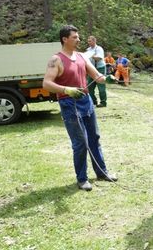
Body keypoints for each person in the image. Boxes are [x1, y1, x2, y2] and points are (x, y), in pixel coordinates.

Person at [43, 25, 118, 191]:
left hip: (86, 101)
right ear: (65, 39)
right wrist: (66, 90)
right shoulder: (56, 60)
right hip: (69, 104)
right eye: (75, 37)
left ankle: (102, 173)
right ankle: (82, 179)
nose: (79, 40)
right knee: (81, 143)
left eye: (78, 37)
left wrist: (107, 78)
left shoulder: (81, 56)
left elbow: (97, 77)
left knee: (94, 138)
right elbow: (46, 83)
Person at [85, 36, 107, 107]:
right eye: (88, 41)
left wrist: (92, 56)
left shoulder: (99, 48)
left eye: (90, 41)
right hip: (92, 69)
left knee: (101, 86)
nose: (89, 42)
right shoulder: (88, 49)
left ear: (94, 41)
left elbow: (99, 58)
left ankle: (103, 103)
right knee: (90, 87)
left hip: (100, 68)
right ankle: (93, 102)